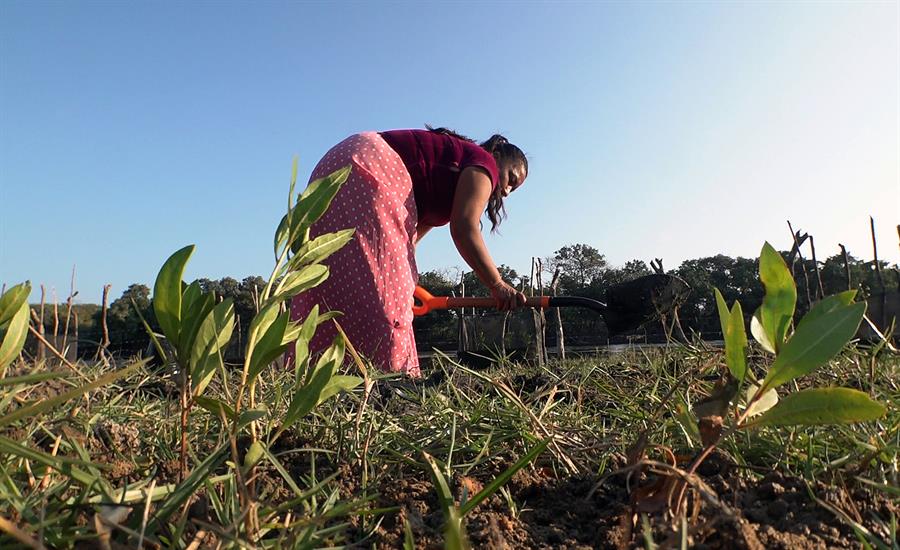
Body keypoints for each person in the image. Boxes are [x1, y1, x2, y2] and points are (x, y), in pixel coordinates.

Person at [289, 127, 529, 377]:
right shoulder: (484, 161)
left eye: (515, 189)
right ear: (498, 155)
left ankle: (317, 381)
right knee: (387, 304)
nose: (507, 191)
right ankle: (390, 382)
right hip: (370, 165)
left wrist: (407, 285)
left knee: (333, 280)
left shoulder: (445, 175)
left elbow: (406, 245)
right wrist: (497, 284)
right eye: (511, 178)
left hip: (339, 165)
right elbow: (465, 228)